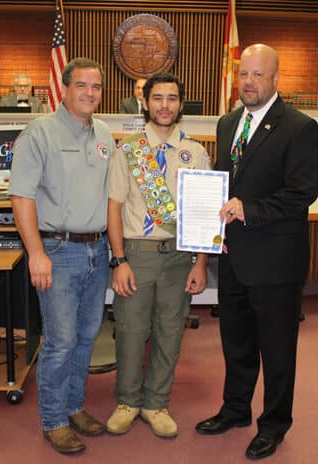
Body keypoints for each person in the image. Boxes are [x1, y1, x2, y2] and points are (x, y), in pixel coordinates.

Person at [194, 44, 318, 460]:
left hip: (276, 259)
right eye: (243, 75)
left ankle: (274, 424)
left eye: (257, 75)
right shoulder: (228, 122)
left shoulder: (300, 127)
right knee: (236, 341)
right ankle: (235, 410)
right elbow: (223, 178)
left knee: (278, 349)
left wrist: (251, 210)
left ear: (275, 79)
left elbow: (302, 193)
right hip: (232, 254)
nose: (248, 82)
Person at [8, 58, 114, 455]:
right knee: (61, 341)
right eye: (82, 85)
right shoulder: (39, 133)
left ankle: (74, 406)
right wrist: (35, 253)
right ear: (65, 89)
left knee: (87, 337)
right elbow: (21, 196)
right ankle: (53, 418)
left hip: (97, 250)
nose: (89, 93)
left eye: (96, 86)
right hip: (57, 250)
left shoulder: (104, 133)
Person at [106, 72, 210, 438]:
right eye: (158, 98)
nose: (165, 105)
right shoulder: (128, 149)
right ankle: (127, 401)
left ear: (181, 104)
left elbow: (202, 212)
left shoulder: (194, 152)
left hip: (179, 257)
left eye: (172, 98)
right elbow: (114, 208)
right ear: (146, 102)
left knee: (170, 332)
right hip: (137, 253)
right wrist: (118, 260)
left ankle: (156, 403)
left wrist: (200, 262)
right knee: (131, 330)